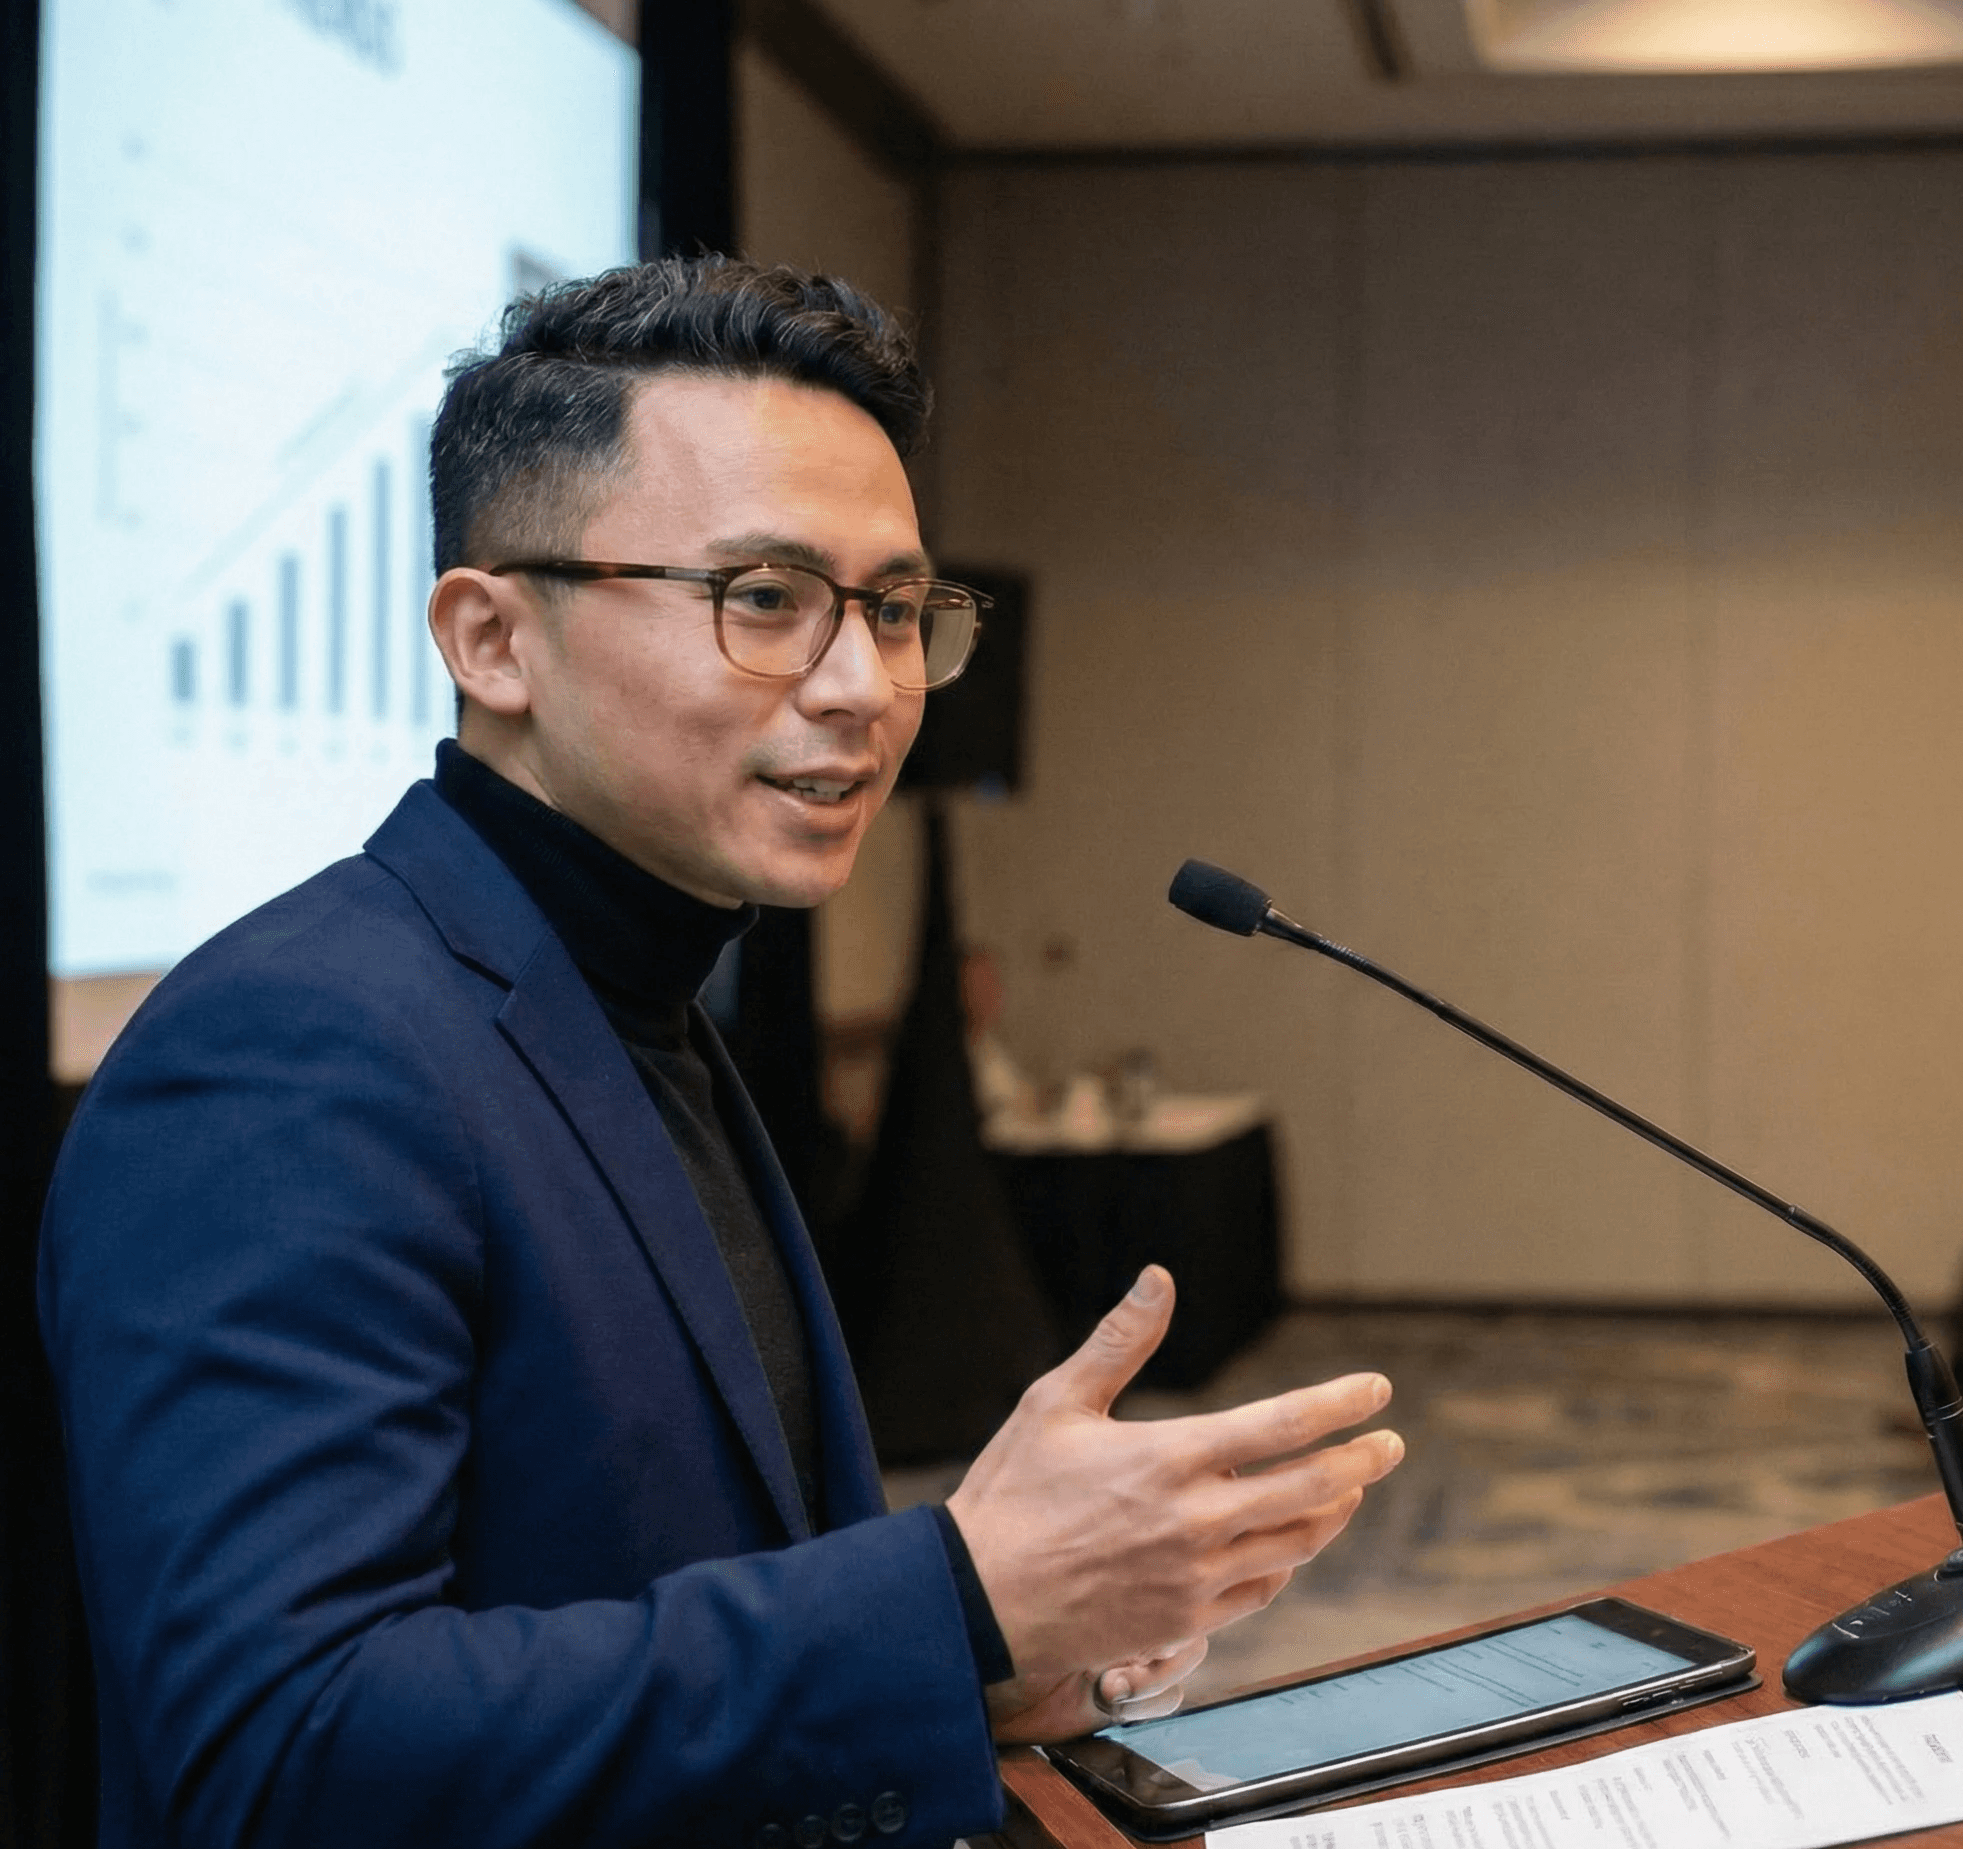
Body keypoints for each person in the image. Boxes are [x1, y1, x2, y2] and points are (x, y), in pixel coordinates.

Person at [38, 257, 1405, 1849]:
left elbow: (647, 1591)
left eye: (897, 611)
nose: (865, 688)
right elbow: (284, 1755)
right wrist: (950, 1600)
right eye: (765, 602)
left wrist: (992, 1666)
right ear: (492, 640)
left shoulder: (637, 993)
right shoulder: (293, 1052)